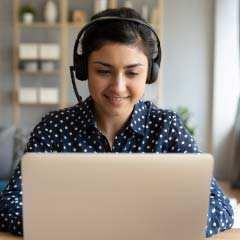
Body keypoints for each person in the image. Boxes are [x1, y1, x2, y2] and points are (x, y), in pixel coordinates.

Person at [0, 7, 234, 238]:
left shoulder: (167, 127)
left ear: (150, 74)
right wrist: (85, 227)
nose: (118, 87)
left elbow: (220, 207)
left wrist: (152, 226)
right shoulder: (53, 128)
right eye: (103, 71)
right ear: (83, 71)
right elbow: (9, 205)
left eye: (132, 73)